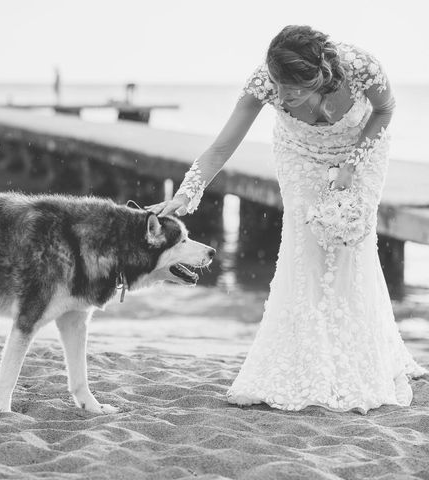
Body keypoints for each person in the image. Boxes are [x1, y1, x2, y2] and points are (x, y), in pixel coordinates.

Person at [147, 25, 426, 413]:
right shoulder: (264, 82)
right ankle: (307, 360)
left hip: (361, 152)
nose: (280, 96)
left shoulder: (362, 68)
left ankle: (359, 355)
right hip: (299, 155)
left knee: (352, 251)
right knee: (304, 249)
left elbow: (385, 110)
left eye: (291, 89)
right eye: (277, 85)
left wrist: (352, 163)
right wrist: (185, 194)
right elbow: (221, 146)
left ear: (318, 76)